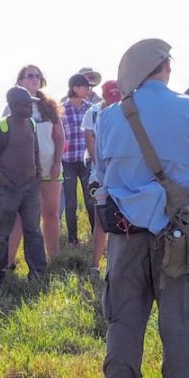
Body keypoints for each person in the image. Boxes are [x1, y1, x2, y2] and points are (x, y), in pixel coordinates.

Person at [96, 39, 189, 378]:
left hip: (126, 239)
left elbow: (101, 174)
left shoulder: (110, 116)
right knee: (180, 331)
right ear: (166, 66)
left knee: (123, 327)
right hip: (181, 237)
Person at [0, 88, 45, 283]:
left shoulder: (31, 124)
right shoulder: (1, 128)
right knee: (1, 233)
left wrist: (38, 173)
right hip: (8, 189)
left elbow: (35, 151)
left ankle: (38, 272)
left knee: (33, 230)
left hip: (30, 187)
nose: (30, 107)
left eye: (31, 103)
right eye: (26, 104)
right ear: (13, 105)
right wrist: (4, 182)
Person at [6, 65, 64, 263]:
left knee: (51, 214)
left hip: (49, 167)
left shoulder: (49, 105)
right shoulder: (11, 106)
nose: (35, 79)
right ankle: (8, 261)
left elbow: (60, 137)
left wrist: (56, 163)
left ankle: (53, 258)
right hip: (24, 171)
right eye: (30, 76)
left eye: (38, 76)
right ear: (20, 80)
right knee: (20, 217)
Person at [81, 79, 123, 276]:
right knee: (101, 220)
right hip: (100, 175)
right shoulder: (93, 113)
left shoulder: (127, 110)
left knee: (123, 220)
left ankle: (117, 265)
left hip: (123, 175)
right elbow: (91, 143)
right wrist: (102, 171)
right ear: (103, 96)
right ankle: (95, 266)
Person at [61, 74, 93, 245]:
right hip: (68, 161)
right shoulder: (61, 109)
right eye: (85, 86)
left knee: (91, 200)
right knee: (71, 202)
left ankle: (95, 235)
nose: (88, 89)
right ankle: (73, 238)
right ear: (75, 88)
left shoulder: (91, 109)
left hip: (86, 162)